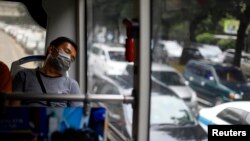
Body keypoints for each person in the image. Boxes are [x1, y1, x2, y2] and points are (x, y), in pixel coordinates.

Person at [12, 36, 83, 107]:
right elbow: (13, 110)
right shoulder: (24, 76)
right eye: (67, 51)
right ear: (51, 49)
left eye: (72, 58)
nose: (69, 58)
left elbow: (77, 114)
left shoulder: (72, 85)